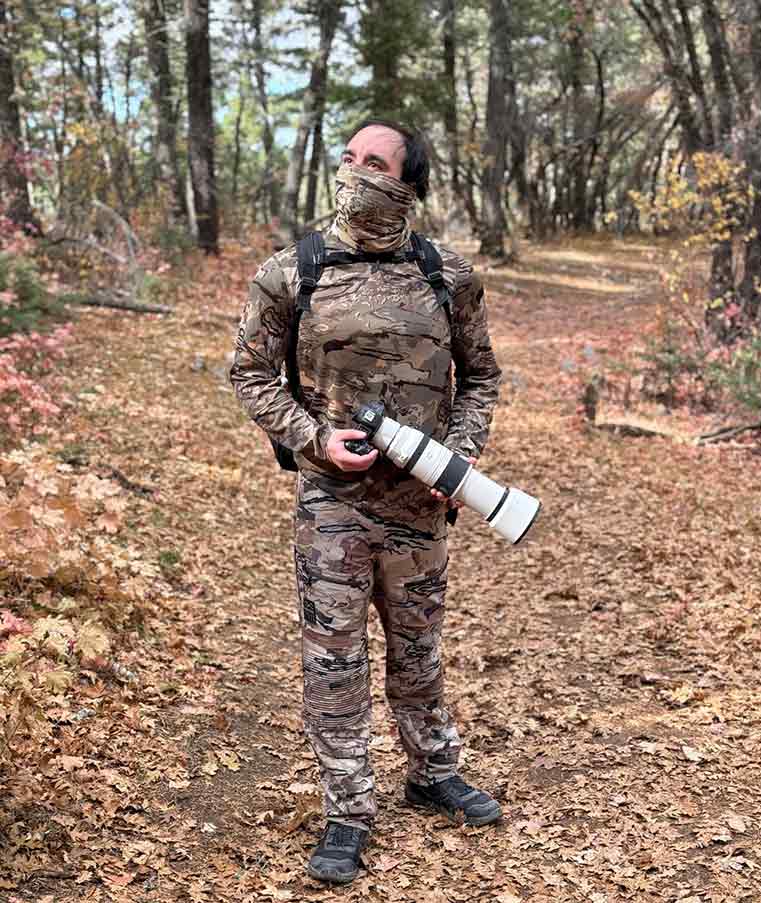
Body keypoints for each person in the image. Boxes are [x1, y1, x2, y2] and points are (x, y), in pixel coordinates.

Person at [229, 119, 503, 884]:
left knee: (417, 653)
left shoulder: (449, 275)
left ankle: (432, 772)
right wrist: (313, 438)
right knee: (334, 660)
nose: (354, 173)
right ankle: (347, 810)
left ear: (407, 181)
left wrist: (464, 448)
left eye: (373, 162)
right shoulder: (295, 270)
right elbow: (250, 374)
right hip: (333, 506)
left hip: (422, 507)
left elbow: (480, 376)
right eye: (347, 159)